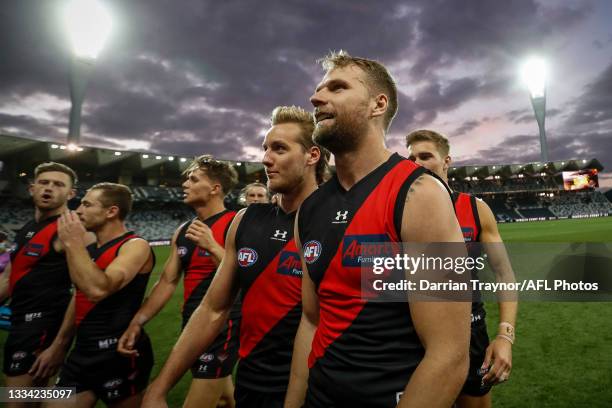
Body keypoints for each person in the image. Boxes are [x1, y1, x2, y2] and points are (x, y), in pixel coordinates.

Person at [285, 51, 471, 408]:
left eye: (336, 88)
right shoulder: (310, 209)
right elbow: (311, 322)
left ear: (377, 104)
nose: (316, 98)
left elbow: (448, 356)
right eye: (318, 90)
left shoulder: (419, 194)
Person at [140, 106, 327, 408]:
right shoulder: (246, 220)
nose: (266, 159)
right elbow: (213, 309)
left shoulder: (340, 221)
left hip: (318, 390)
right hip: (251, 384)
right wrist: (158, 388)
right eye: (266, 148)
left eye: (279, 149)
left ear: (312, 155)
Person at [406, 129, 518, 408]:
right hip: (408, 336)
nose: (416, 163)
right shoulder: (396, 210)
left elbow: (504, 274)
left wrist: (505, 336)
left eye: (425, 156)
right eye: (411, 157)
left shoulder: (475, 209)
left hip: (469, 333)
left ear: (446, 161)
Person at [118, 156, 240, 408]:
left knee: (160, 398)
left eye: (193, 179)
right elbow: (167, 282)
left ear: (215, 188)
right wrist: (138, 321)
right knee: (227, 399)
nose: (185, 184)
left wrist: (213, 247)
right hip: (191, 326)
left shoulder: (236, 224)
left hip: (222, 326)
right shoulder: (183, 230)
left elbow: (244, 276)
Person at [48, 183, 155, 408]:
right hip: (82, 353)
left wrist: (73, 243)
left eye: (87, 204)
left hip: (119, 354)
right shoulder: (89, 251)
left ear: (111, 211)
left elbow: (97, 290)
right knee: (44, 402)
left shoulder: (134, 246)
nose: (78, 211)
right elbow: (79, 296)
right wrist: (59, 343)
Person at [0, 162, 78, 408]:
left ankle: (71, 395)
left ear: (71, 194)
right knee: (35, 400)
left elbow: (85, 291)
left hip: (42, 326)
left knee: (15, 402)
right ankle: (65, 396)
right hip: (20, 323)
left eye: (58, 184)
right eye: (44, 183)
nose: (49, 189)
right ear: (31, 188)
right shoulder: (27, 229)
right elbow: (7, 279)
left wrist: (58, 346)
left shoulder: (70, 229)